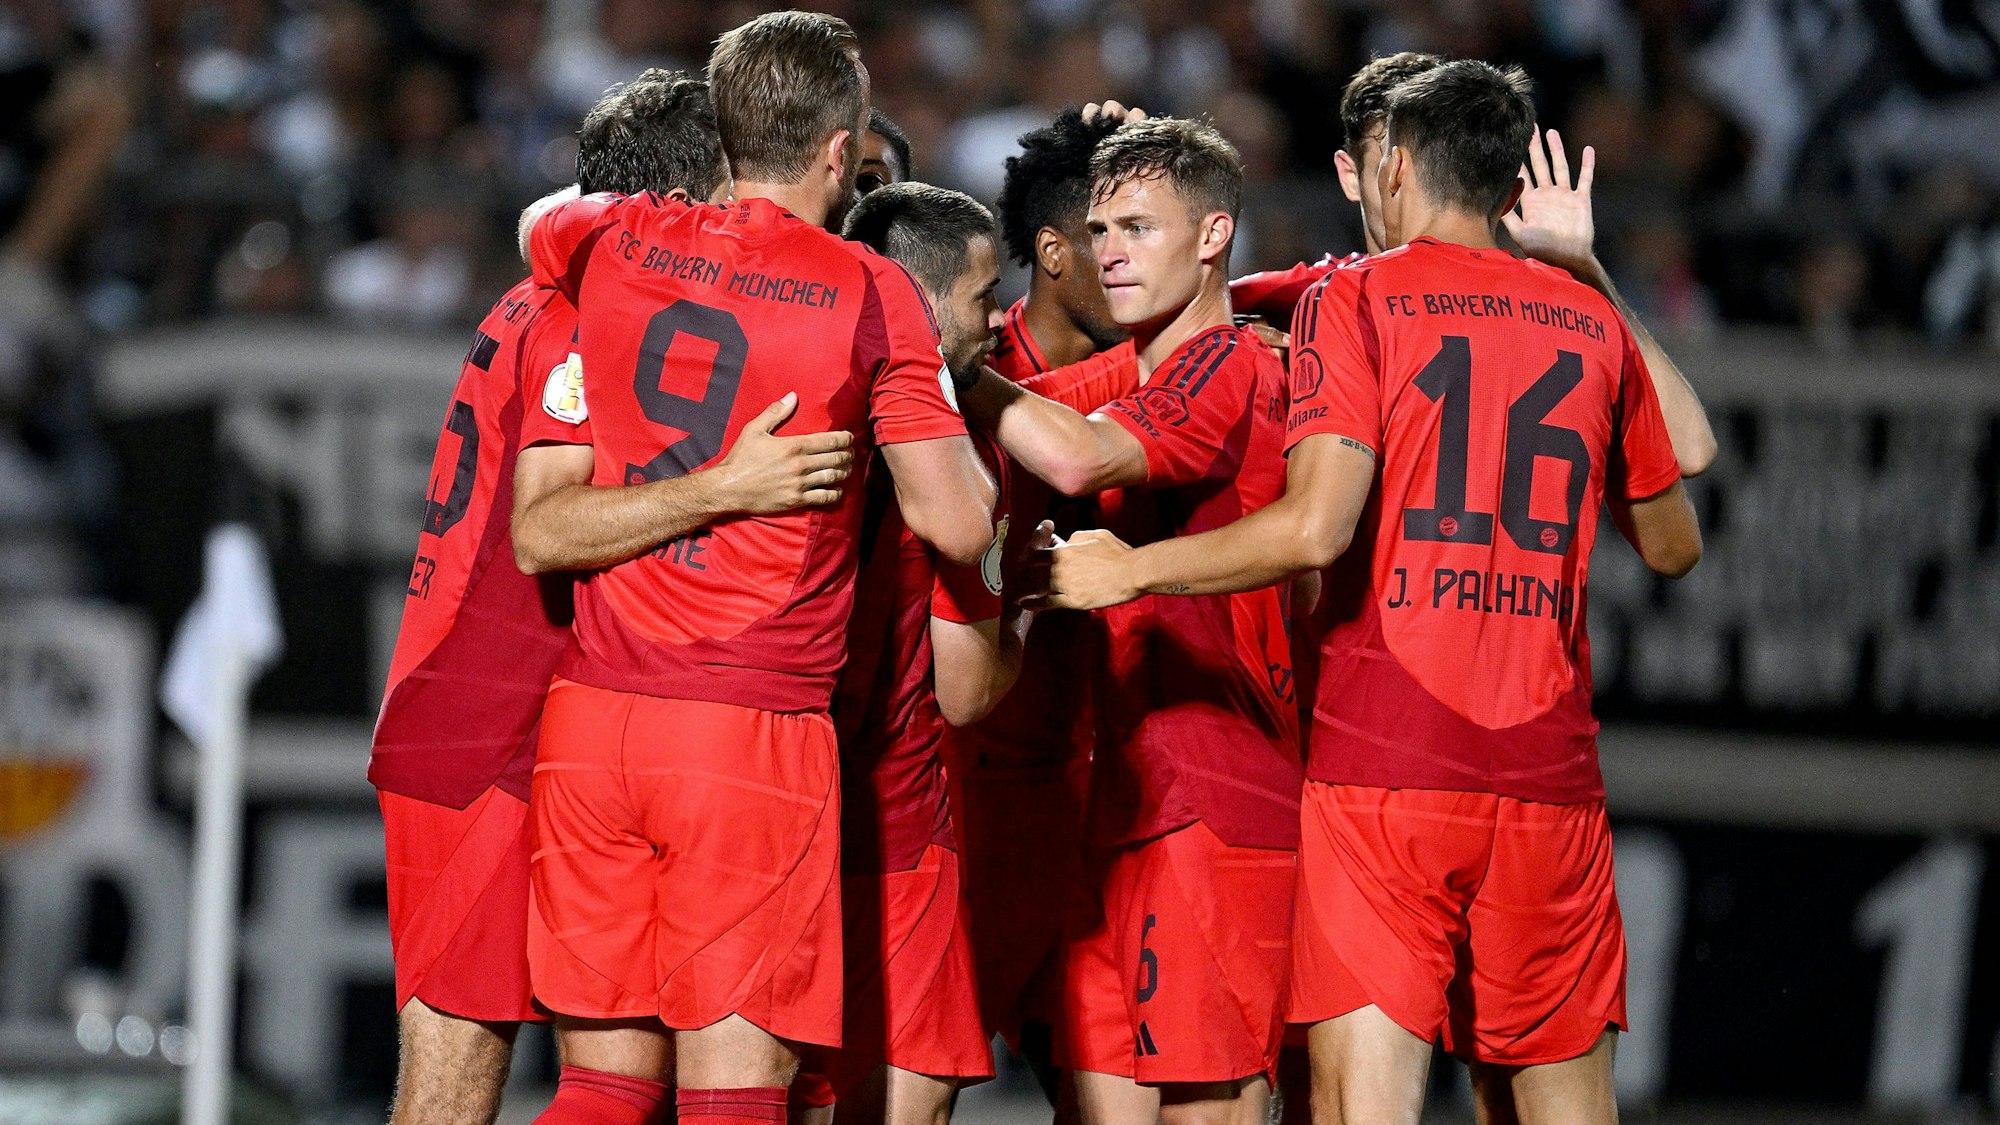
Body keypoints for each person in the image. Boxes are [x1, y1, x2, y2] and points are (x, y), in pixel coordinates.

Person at [1040, 62, 1706, 1125]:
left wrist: (1133, 568)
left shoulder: (1355, 297)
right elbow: (1673, 542)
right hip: (1549, 778)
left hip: (1382, 765)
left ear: (1392, 163)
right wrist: (1587, 275)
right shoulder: (1583, 321)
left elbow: (1313, 526)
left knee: (1358, 1109)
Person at [514, 14, 998, 1125]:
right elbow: (954, 523)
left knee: (597, 1091)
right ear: (841, 152)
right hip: (747, 735)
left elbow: (541, 220)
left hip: (592, 726)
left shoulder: (617, 239)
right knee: (738, 1099)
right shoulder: (868, 291)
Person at [371, 69, 850, 1125]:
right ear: (696, 198)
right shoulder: (590, 311)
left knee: (611, 1085)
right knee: (455, 1086)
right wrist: (730, 490)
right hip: (485, 732)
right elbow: (546, 530)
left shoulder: (567, 290)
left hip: (521, 724)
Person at [962, 116, 1299, 1125]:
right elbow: (1058, 415)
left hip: (1215, 799)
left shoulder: (1225, 364)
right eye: (1100, 227)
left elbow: (1070, 455)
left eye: (1140, 228)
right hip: (1126, 806)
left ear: (1210, 239)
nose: (1112, 251)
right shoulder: (1153, 370)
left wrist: (936, 359)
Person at [793, 182, 1027, 1125]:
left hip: (772, 809)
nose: (997, 325)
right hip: (894, 824)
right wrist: (1032, 610)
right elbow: (967, 689)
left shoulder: (786, 400)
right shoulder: (960, 465)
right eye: (981, 298)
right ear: (922, 304)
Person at [944, 103, 1141, 1085]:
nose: (1146, 260)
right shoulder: (959, 380)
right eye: (1120, 232)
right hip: (973, 802)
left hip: (1118, 812)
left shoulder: (1183, 373)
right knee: (905, 1094)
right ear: (1055, 251)